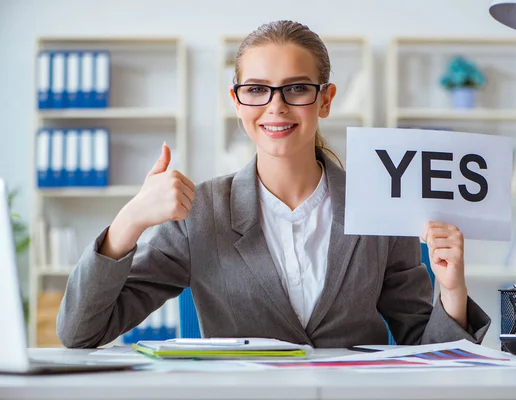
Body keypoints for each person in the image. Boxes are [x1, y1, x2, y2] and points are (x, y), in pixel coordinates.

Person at [57, 20, 490, 349]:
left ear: (325, 99)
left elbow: (427, 353)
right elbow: (81, 333)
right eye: (257, 89)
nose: (276, 107)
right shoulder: (202, 211)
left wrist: (452, 291)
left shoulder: (377, 202)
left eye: (296, 88)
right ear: (237, 101)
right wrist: (129, 222)